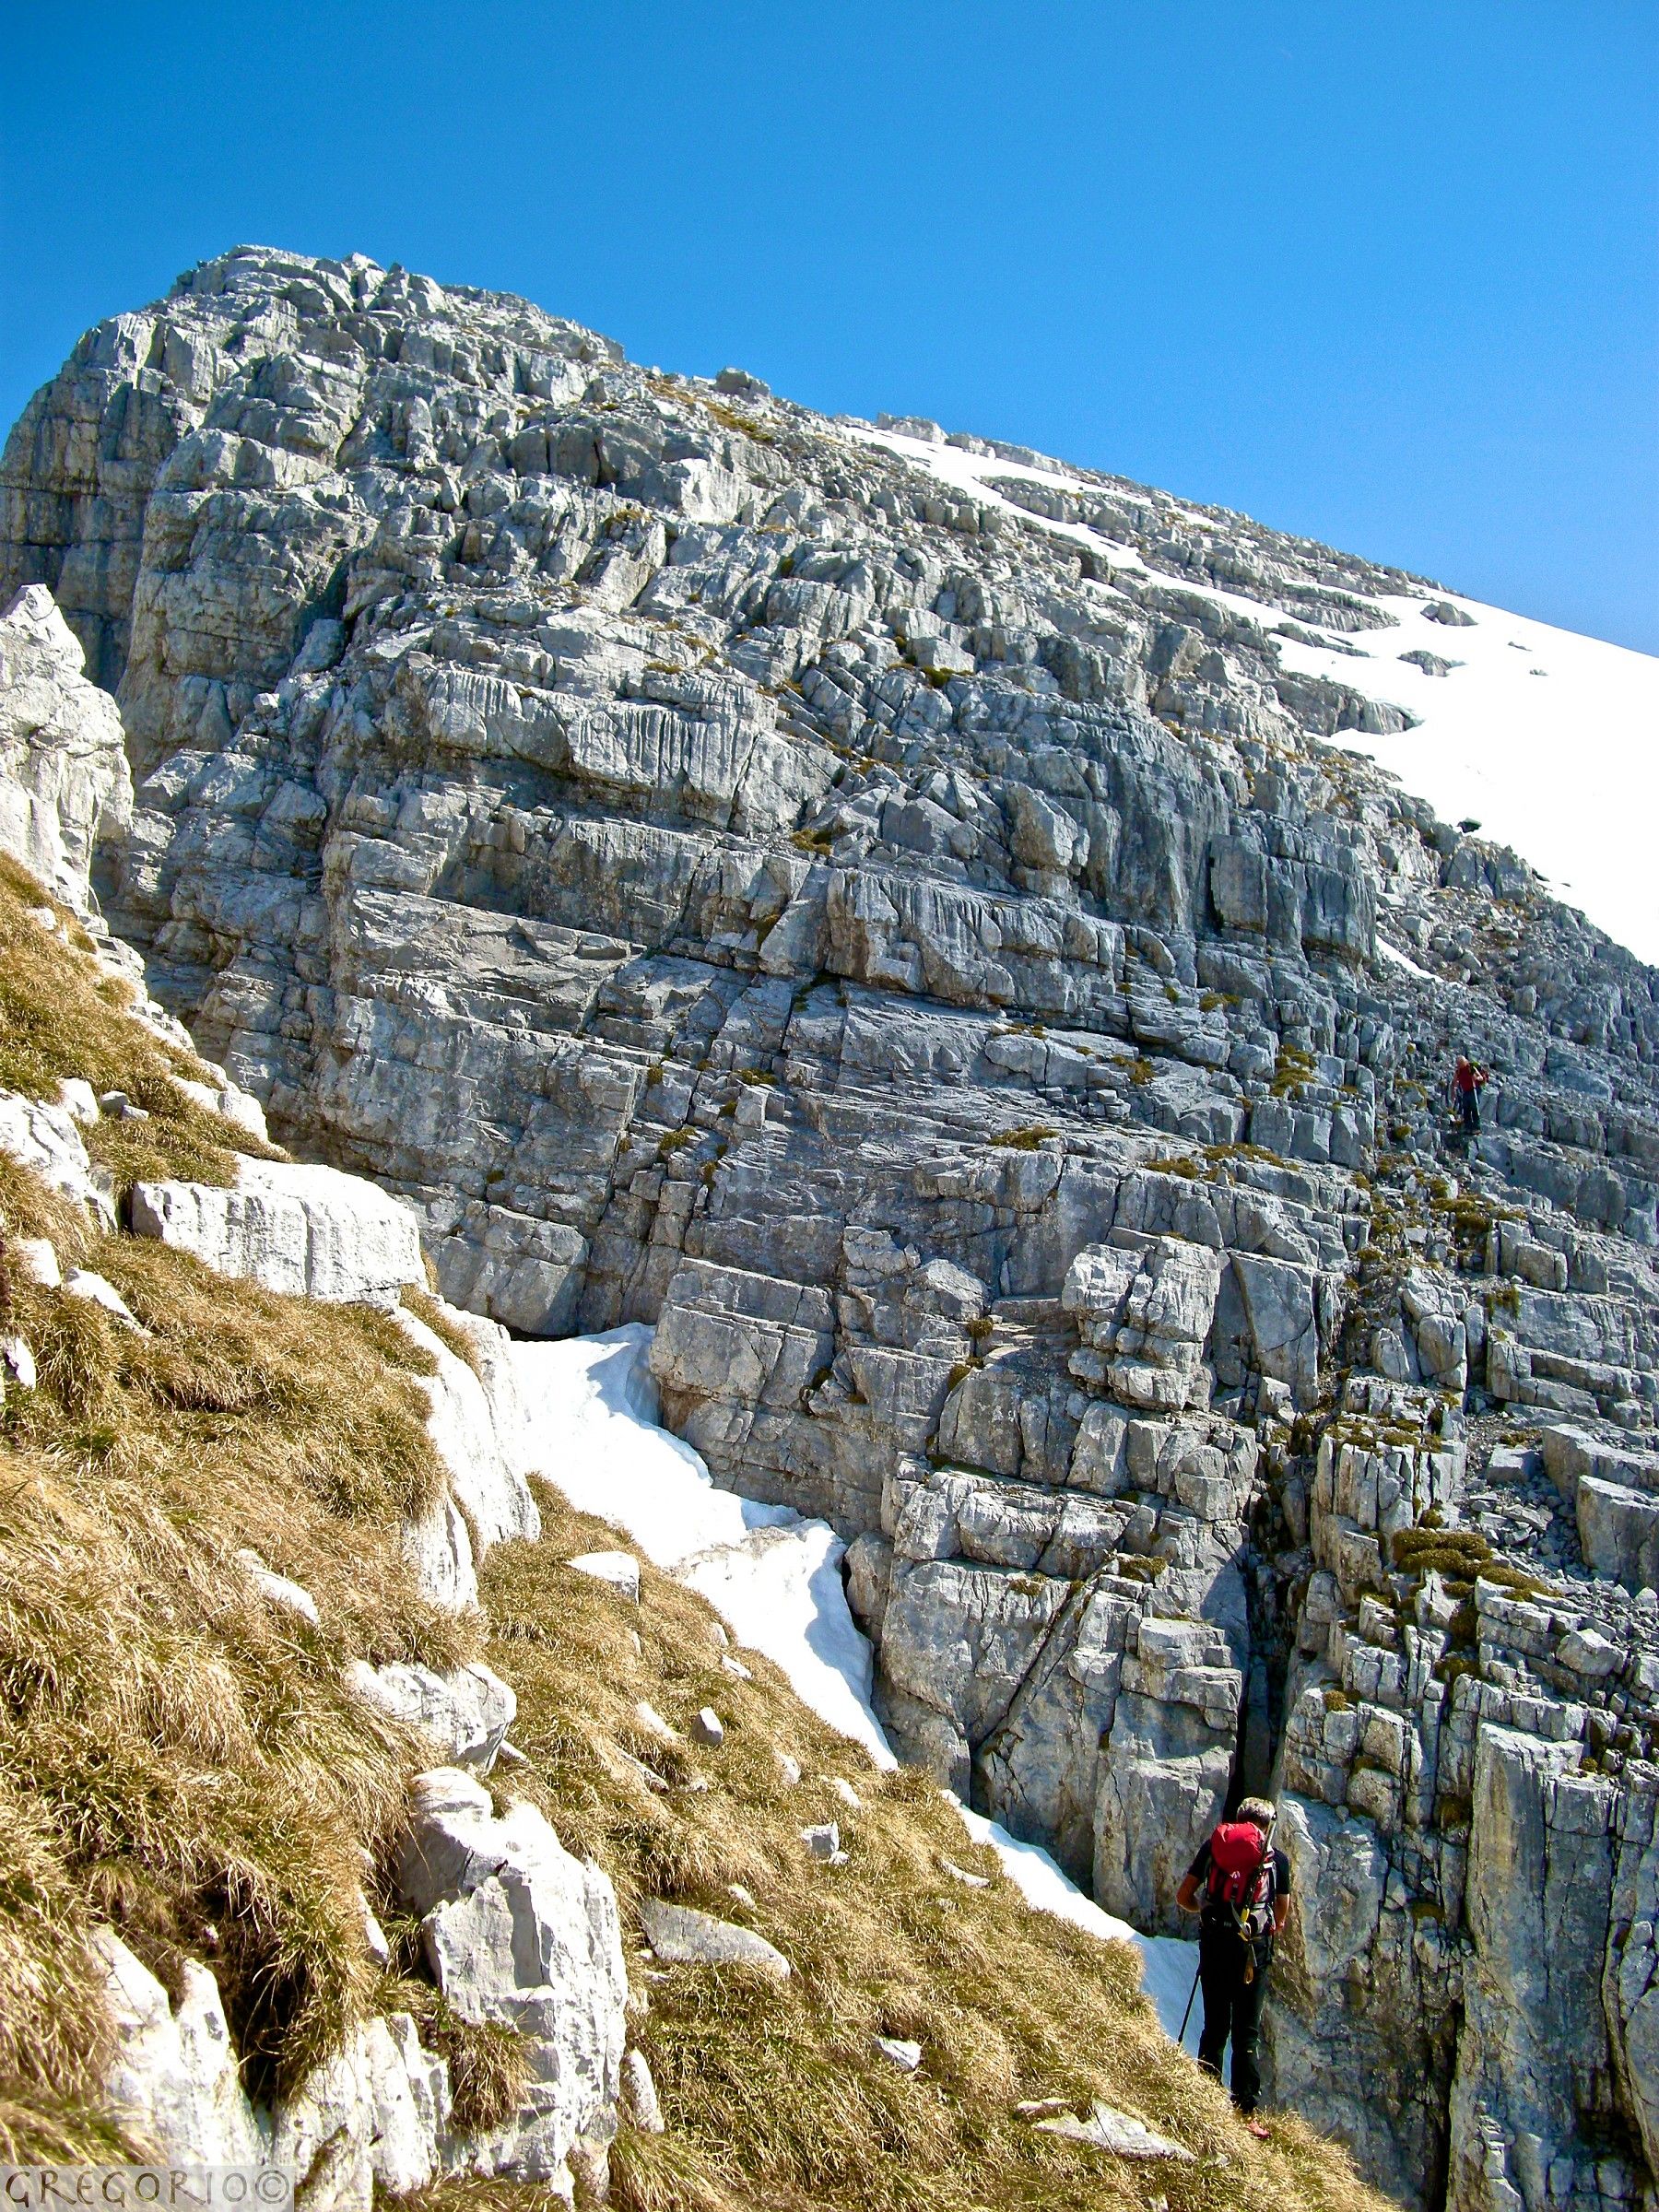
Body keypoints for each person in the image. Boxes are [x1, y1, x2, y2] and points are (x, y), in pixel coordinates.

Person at [1176, 1796, 1290, 2135]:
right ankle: (1245, 2113)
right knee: (1246, 2031)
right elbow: (1280, 1913)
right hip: (1251, 1953)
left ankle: (1204, 2100)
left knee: (1215, 2025)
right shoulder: (1275, 1860)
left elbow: (1184, 1896)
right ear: (1266, 1827)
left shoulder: (1213, 1848)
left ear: (1237, 1819)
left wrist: (1206, 1911)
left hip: (1214, 1947)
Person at [1452, 1055, 1488, 1135]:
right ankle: (1468, 1127)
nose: (1459, 1065)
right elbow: (1454, 1082)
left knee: (1474, 1108)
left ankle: (1477, 1127)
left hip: (1472, 1090)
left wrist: (1476, 1079)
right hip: (1465, 1092)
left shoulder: (1470, 1068)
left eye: (1461, 1063)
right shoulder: (1458, 1072)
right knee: (1466, 1110)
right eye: (1458, 1063)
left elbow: (1480, 1077)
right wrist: (1454, 1090)